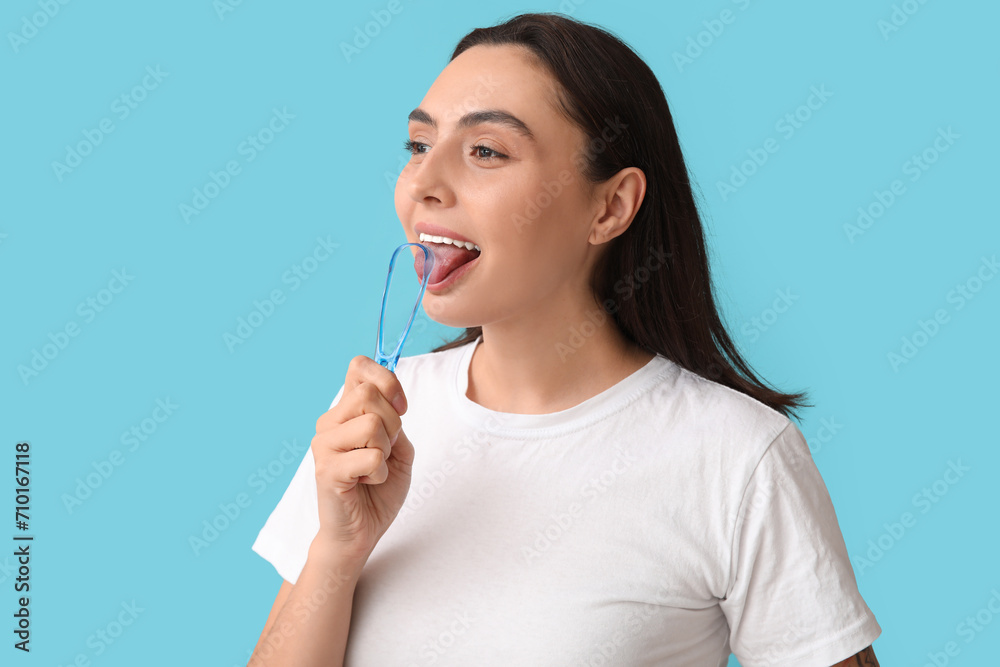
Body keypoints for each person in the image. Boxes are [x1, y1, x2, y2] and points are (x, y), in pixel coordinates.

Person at [248, 12, 882, 667]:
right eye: (418, 146)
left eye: (486, 151)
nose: (424, 186)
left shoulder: (738, 456)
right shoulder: (372, 420)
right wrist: (336, 549)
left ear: (610, 207)